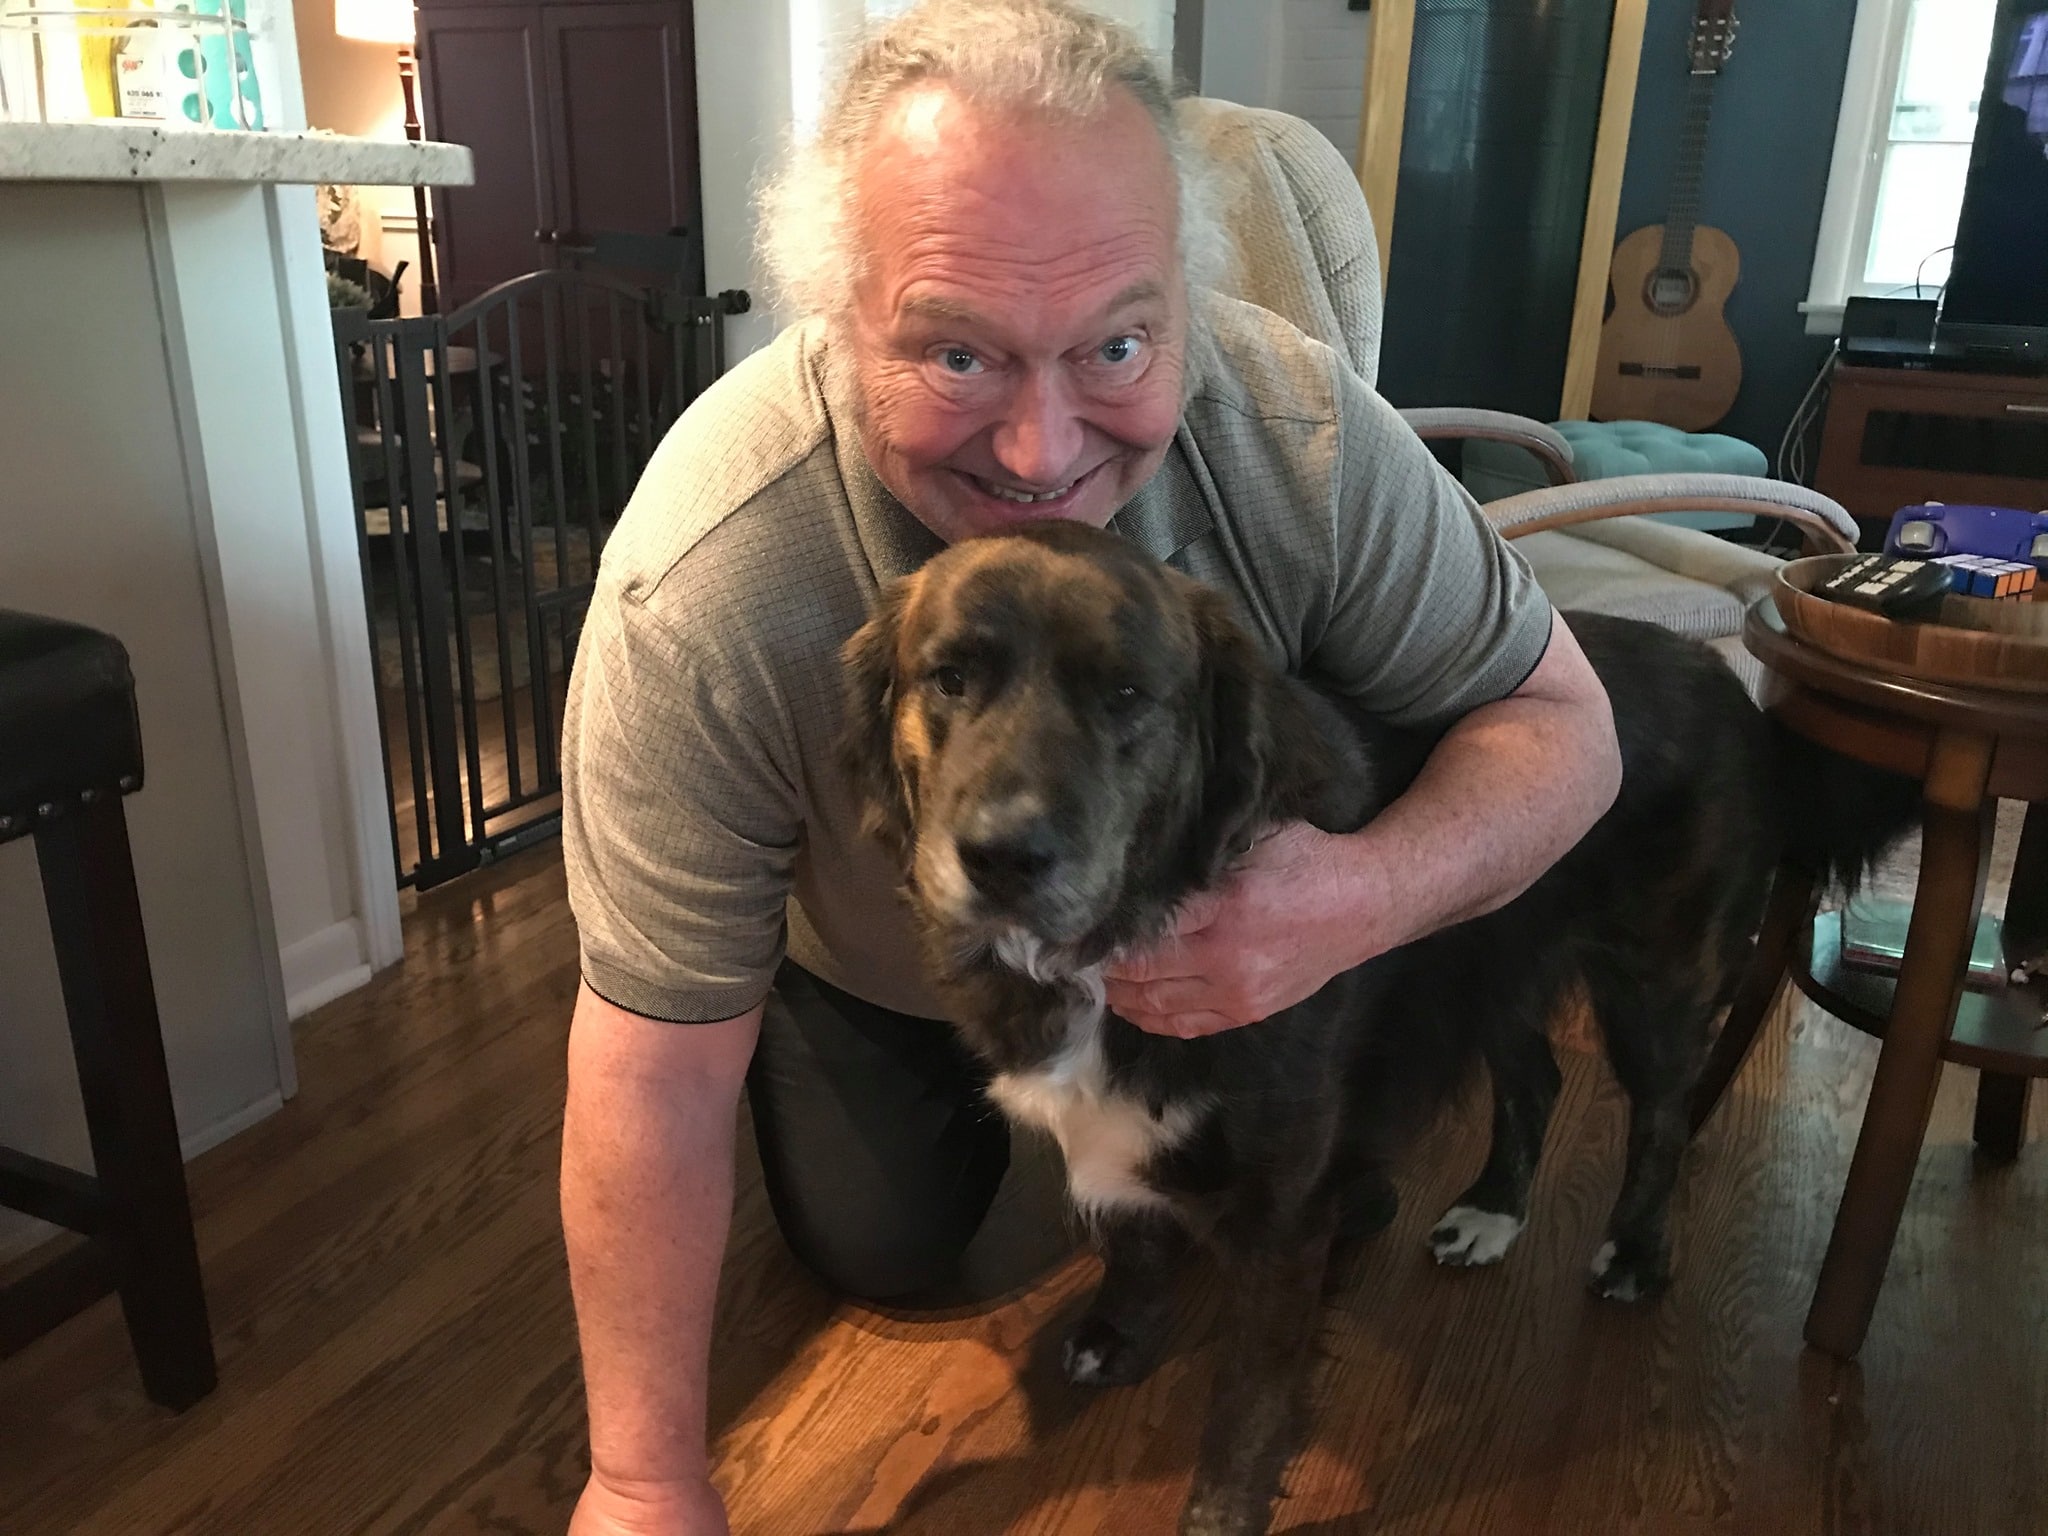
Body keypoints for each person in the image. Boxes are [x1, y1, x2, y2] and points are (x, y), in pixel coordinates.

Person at [558, 3, 1621, 1531]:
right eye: (958, 351)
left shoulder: (1303, 430)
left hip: (1206, 957)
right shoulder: (705, 583)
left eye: (1116, 343)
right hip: (886, 969)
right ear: (842, 322)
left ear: (1185, 300)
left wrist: (1355, 901)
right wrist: (640, 1478)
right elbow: (655, 1052)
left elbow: (1567, 729)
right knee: (878, 1248)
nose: (1043, 448)